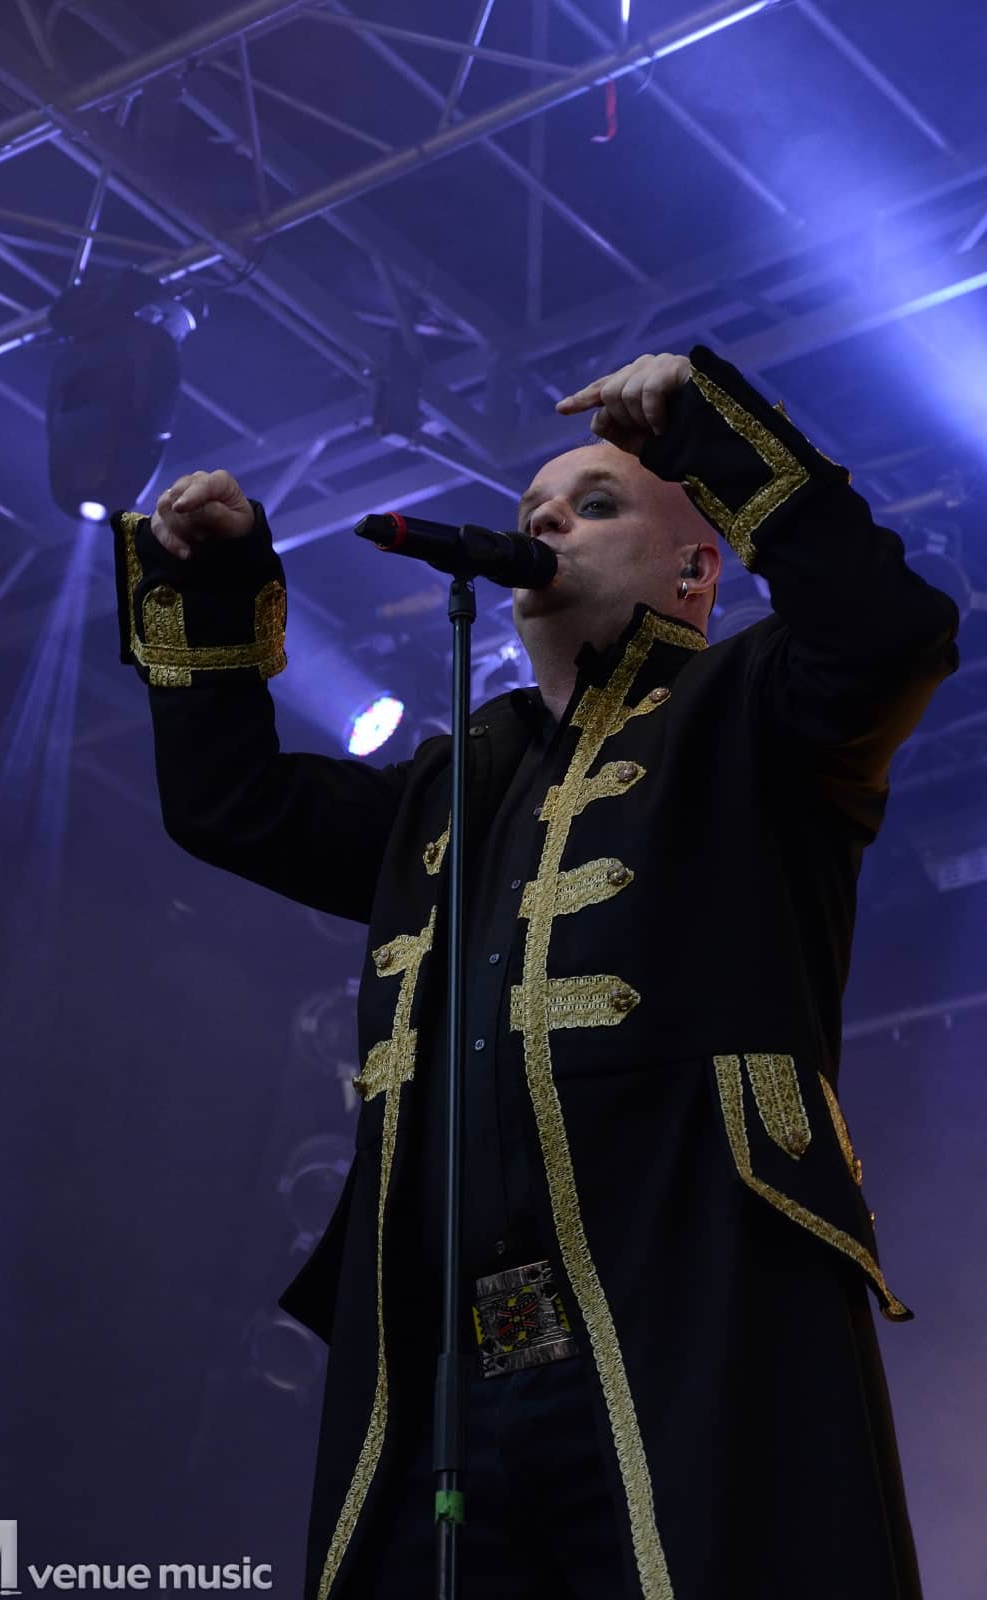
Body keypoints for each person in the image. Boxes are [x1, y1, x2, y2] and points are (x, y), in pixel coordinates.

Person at [113, 347, 958, 1599]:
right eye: (532, 509)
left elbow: (891, 629)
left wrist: (704, 432)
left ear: (695, 568)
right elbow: (229, 805)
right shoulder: (453, 781)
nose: (547, 521)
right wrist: (214, 580)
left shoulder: (754, 711)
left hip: (684, 1307)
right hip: (446, 1363)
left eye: (595, 503)